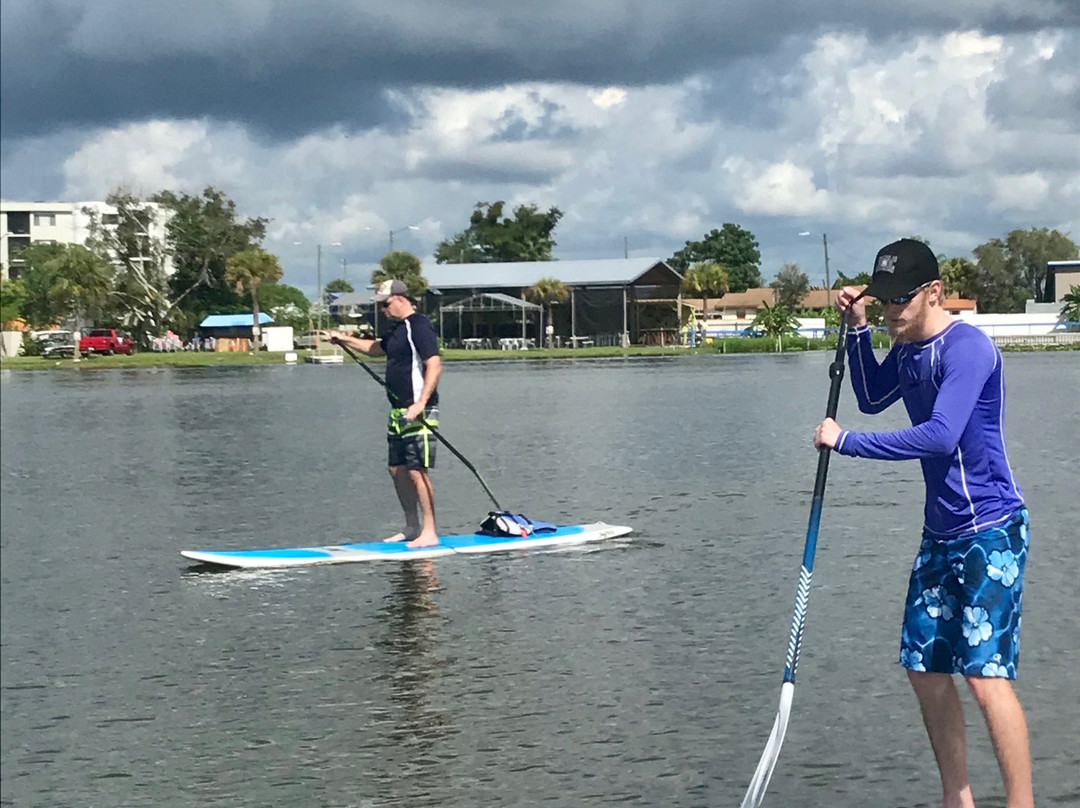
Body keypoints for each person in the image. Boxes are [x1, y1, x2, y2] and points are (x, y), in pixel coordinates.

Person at [813, 239, 1032, 808]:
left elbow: (940, 435)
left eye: (899, 300)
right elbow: (871, 395)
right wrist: (858, 330)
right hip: (940, 533)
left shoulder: (968, 349)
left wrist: (847, 442)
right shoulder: (908, 346)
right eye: (883, 299)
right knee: (925, 667)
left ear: (934, 292)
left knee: (985, 677)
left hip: (991, 529)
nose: (891, 310)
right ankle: (957, 799)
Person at [330, 279, 443, 547]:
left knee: (417, 470)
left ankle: (430, 532)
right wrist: (344, 339)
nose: (383, 310)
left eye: (386, 304)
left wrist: (420, 403)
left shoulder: (419, 325)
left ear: (401, 299)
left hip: (420, 409)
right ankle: (412, 526)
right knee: (397, 469)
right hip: (398, 410)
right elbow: (376, 349)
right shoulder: (396, 330)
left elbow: (434, 364)